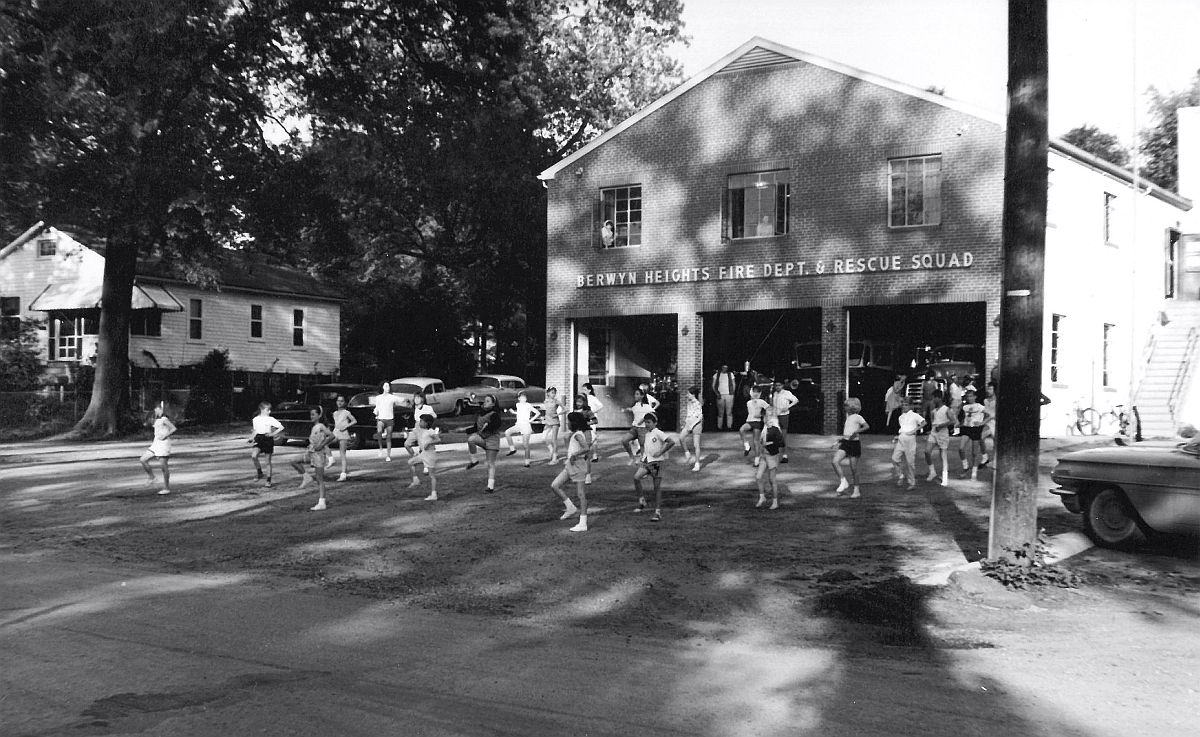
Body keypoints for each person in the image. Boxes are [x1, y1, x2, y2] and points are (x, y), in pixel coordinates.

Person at [549, 411, 591, 532]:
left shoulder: (578, 435)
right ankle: (570, 507)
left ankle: (583, 523)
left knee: (581, 494)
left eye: (569, 421)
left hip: (577, 466)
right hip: (571, 465)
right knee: (555, 485)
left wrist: (574, 455)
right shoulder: (575, 434)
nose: (567, 423)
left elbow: (586, 448)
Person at [633, 412, 675, 522]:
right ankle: (642, 501)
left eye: (649, 422)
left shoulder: (658, 432)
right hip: (647, 461)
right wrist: (642, 459)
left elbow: (671, 442)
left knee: (656, 487)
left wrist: (661, 452)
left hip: (656, 463)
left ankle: (657, 512)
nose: (647, 424)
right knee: (636, 477)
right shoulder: (647, 434)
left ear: (655, 423)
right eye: (646, 422)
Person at [292, 408, 333, 510]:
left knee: (319, 479)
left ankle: (322, 502)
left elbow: (332, 436)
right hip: (311, 453)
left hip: (319, 455)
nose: (311, 416)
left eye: (313, 414)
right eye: (311, 415)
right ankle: (306, 477)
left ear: (319, 415)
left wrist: (322, 445)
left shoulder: (321, 426)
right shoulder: (314, 427)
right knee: (294, 461)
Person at [831, 397, 869, 498]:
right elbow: (847, 433)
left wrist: (856, 432)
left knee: (853, 468)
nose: (844, 407)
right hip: (845, 443)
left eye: (846, 405)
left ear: (852, 407)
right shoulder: (848, 417)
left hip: (854, 444)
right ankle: (843, 481)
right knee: (835, 461)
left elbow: (866, 426)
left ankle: (856, 490)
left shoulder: (858, 417)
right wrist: (839, 441)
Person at [466, 394, 503, 492]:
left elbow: (497, 424)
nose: (485, 403)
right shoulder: (481, 414)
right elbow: (476, 427)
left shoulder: (494, 414)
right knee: (471, 439)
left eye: (488, 401)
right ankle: (474, 461)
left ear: (493, 404)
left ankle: (490, 486)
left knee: (490, 463)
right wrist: (465, 430)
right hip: (483, 439)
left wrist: (489, 425)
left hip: (492, 441)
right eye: (485, 401)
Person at [140, 402, 176, 495]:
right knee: (143, 459)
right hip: (156, 444)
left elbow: (173, 428)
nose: (156, 411)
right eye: (155, 409)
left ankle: (167, 488)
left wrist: (165, 435)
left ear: (161, 409)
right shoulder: (157, 420)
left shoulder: (164, 419)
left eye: (157, 409)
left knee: (163, 467)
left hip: (163, 445)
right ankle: (152, 477)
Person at [892, 398, 926, 490]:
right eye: (903, 405)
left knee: (910, 462)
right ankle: (900, 475)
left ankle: (912, 482)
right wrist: (898, 436)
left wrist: (914, 430)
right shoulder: (901, 417)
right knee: (895, 458)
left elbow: (924, 422)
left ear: (910, 406)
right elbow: (902, 429)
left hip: (910, 439)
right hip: (901, 438)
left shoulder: (915, 415)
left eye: (906, 404)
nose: (904, 406)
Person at [405, 413, 440, 501]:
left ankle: (434, 494)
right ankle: (415, 480)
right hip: (424, 454)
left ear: (426, 423)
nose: (419, 422)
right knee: (411, 462)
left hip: (430, 455)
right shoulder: (421, 431)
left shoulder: (430, 431)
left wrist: (429, 443)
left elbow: (438, 439)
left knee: (432, 475)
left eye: (421, 421)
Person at [958, 389, 991, 480]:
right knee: (961, 448)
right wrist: (961, 423)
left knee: (974, 452)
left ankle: (974, 472)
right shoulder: (965, 407)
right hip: (966, 428)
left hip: (976, 429)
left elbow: (989, 416)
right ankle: (965, 467)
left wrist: (982, 423)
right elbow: (963, 417)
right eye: (968, 396)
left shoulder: (979, 407)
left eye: (971, 396)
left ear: (975, 397)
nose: (969, 398)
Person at [249, 401, 284, 487]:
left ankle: (268, 480)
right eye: (268, 410)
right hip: (259, 438)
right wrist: (251, 438)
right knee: (254, 456)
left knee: (268, 461)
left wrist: (272, 434)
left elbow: (281, 427)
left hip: (267, 439)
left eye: (270, 410)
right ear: (262, 409)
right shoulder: (256, 419)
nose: (269, 411)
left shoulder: (270, 419)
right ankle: (259, 472)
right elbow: (255, 430)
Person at [924, 390, 953, 487]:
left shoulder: (946, 409)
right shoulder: (934, 410)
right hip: (934, 433)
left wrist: (941, 426)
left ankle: (945, 478)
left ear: (939, 398)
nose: (933, 400)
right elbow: (933, 422)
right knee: (927, 451)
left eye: (934, 398)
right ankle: (932, 472)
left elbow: (953, 421)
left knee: (943, 456)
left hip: (943, 434)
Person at [503, 391, 539, 467]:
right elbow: (520, 412)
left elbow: (537, 413)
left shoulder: (528, 405)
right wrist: (513, 412)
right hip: (518, 425)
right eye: (522, 397)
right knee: (507, 432)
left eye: (525, 397)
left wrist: (530, 420)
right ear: (519, 398)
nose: (524, 399)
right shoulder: (518, 405)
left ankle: (527, 462)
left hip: (526, 426)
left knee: (525, 445)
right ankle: (512, 449)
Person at [621, 387, 655, 465]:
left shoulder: (646, 406)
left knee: (642, 446)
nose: (635, 396)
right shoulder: (636, 405)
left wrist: (643, 420)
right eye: (635, 394)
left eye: (637, 394)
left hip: (643, 429)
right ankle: (632, 457)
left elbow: (652, 413)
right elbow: (633, 409)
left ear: (642, 396)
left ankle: (643, 462)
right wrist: (625, 410)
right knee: (624, 440)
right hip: (634, 428)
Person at [739, 384, 770, 467]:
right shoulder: (748, 402)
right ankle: (747, 446)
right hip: (749, 421)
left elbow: (769, 409)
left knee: (756, 442)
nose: (755, 393)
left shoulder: (762, 401)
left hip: (757, 422)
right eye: (754, 392)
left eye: (757, 392)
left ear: (760, 393)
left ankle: (757, 460)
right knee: (741, 430)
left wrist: (762, 415)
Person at [405, 393, 437, 473]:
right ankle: (414, 456)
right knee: (407, 444)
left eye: (418, 398)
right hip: (416, 428)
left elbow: (434, 416)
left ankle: (426, 466)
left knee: (423, 448)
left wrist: (427, 420)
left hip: (424, 428)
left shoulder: (428, 408)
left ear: (423, 399)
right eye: (415, 398)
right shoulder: (414, 408)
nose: (416, 400)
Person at [756, 423, 784, 509]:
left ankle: (775, 502)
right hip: (764, 456)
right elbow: (761, 442)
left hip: (772, 456)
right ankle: (762, 497)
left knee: (772, 480)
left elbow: (781, 443)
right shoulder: (763, 429)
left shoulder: (775, 429)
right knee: (758, 477)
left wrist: (768, 444)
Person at [770, 379, 799, 462]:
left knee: (783, 436)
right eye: (776, 385)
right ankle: (776, 454)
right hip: (776, 416)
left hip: (784, 416)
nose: (777, 387)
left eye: (779, 385)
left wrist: (788, 407)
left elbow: (796, 400)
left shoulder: (786, 393)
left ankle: (784, 455)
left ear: (782, 386)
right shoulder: (775, 393)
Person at [372, 381, 401, 461]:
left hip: (389, 418)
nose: (387, 388)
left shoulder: (392, 397)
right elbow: (377, 407)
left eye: (388, 386)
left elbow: (400, 400)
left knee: (389, 437)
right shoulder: (378, 398)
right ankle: (380, 448)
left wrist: (406, 400)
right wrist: (376, 411)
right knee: (379, 432)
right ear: (383, 387)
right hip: (380, 418)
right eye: (386, 386)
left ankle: (388, 455)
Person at [573, 393, 597, 484]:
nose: (578, 403)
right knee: (578, 455)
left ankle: (588, 475)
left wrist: (586, 423)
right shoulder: (575, 411)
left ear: (584, 402)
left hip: (586, 433)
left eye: (580, 402)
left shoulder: (587, 411)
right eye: (577, 402)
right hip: (578, 433)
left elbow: (595, 420)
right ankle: (578, 474)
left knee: (586, 455)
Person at [678, 385, 704, 472]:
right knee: (681, 437)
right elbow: (689, 414)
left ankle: (697, 463)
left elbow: (699, 417)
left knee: (696, 444)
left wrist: (692, 425)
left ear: (693, 394)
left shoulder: (698, 403)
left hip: (696, 424)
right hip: (689, 423)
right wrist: (686, 423)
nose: (687, 395)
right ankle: (687, 452)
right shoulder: (689, 402)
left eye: (688, 394)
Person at [330, 395, 354, 482]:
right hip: (335, 432)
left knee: (342, 454)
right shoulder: (335, 413)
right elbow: (336, 424)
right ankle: (331, 459)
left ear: (345, 403)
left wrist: (346, 426)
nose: (339, 403)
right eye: (338, 401)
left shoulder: (346, 412)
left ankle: (343, 474)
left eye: (341, 401)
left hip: (343, 434)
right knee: (324, 444)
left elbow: (354, 421)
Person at [540, 387, 565, 463]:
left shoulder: (556, 401)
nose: (553, 394)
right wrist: (543, 418)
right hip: (547, 421)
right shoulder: (545, 401)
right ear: (548, 393)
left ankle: (554, 458)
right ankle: (551, 450)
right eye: (552, 392)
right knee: (543, 437)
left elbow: (565, 409)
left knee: (554, 440)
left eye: (554, 393)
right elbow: (544, 411)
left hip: (555, 422)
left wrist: (558, 414)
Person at [581, 382, 604, 462]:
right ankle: (586, 453)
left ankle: (594, 455)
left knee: (593, 437)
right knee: (584, 437)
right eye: (583, 389)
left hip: (591, 419)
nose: (583, 391)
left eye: (585, 389)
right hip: (584, 419)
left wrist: (592, 411)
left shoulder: (592, 398)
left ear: (589, 390)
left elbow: (600, 405)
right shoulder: (583, 398)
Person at [711, 364, 737, 430]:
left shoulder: (730, 374)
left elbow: (733, 383)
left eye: (726, 367)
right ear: (721, 368)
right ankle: (719, 427)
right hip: (720, 395)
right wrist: (716, 393)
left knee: (729, 412)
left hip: (729, 394)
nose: (725, 369)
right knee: (720, 412)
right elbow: (713, 385)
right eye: (724, 367)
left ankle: (729, 426)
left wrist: (732, 392)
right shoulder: (716, 375)